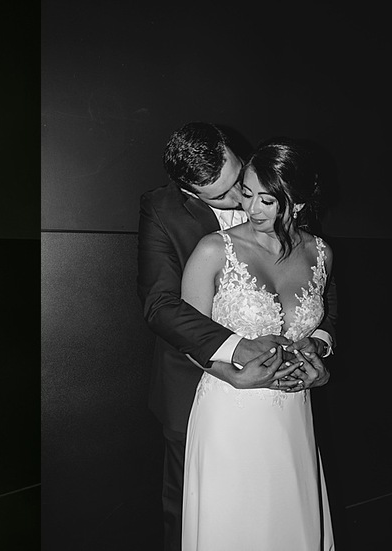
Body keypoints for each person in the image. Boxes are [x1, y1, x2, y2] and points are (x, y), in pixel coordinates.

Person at [136, 122, 336, 550]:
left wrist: (317, 347)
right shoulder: (165, 213)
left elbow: (318, 293)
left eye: (240, 182)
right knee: (198, 515)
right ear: (191, 191)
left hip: (290, 410)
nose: (243, 203)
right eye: (225, 195)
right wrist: (235, 354)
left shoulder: (292, 209)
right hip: (201, 387)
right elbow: (161, 305)